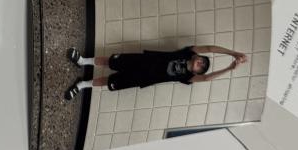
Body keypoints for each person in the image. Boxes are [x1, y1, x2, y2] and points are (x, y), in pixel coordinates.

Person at [66, 45, 249, 100]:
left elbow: (208, 78)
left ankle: (82, 85)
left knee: (110, 82)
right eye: (202, 60)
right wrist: (233, 53)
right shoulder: (187, 52)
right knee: (110, 61)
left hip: (143, 78)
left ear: (197, 72)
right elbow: (210, 48)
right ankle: (82, 61)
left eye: (202, 66)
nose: (201, 63)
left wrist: (229, 68)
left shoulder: (187, 77)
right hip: (142, 60)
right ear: (197, 55)